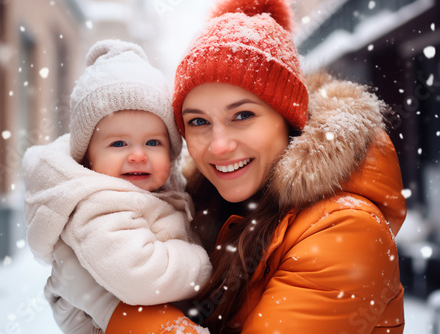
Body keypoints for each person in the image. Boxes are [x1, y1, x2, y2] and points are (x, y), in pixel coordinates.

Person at [100, 0, 407, 332]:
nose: (219, 145)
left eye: (242, 115)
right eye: (199, 121)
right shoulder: (201, 208)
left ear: (287, 117)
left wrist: (109, 308)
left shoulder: (345, 229)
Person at [22, 39, 212, 334]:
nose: (138, 154)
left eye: (153, 142)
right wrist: (206, 262)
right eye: (118, 143)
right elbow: (144, 278)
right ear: (88, 158)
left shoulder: (159, 194)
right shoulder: (100, 205)